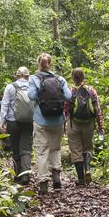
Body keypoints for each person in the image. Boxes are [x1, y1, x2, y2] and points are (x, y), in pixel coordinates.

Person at [27, 53, 71, 194]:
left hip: (41, 121)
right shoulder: (59, 79)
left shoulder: (34, 79)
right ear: (50, 64)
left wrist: (41, 91)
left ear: (38, 63)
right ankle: (57, 179)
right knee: (55, 149)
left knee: (41, 151)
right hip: (58, 120)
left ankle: (44, 183)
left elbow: (31, 96)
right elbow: (69, 96)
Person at [66, 68, 104, 186]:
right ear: (83, 77)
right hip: (89, 123)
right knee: (87, 147)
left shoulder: (69, 91)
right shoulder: (91, 90)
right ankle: (87, 169)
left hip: (73, 123)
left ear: (73, 78)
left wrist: (63, 125)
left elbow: (65, 109)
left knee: (76, 151)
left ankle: (81, 180)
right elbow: (97, 110)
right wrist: (100, 126)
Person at [0, 66, 33, 183]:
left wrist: (2, 122)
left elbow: (4, 105)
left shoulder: (10, 87)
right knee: (26, 149)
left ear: (17, 76)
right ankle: (26, 176)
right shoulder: (32, 86)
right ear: (28, 76)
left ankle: (17, 176)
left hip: (12, 122)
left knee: (16, 149)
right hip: (28, 122)